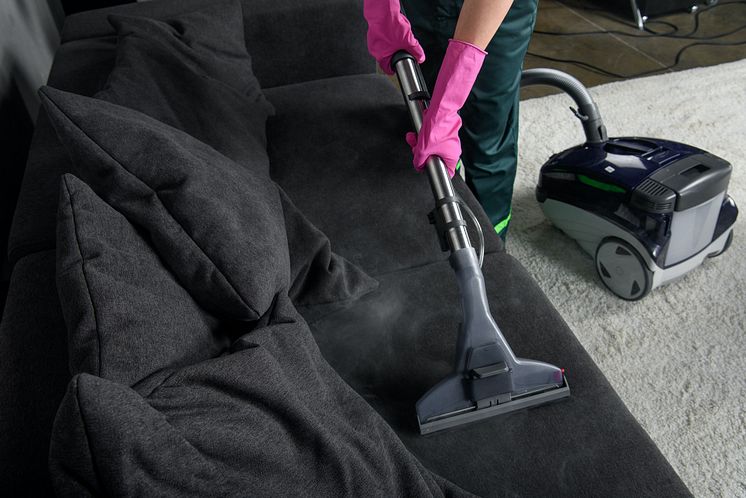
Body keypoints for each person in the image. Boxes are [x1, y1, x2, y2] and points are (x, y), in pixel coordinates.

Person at [363, 0, 539, 240]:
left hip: (493, 13)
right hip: (425, 7)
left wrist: (448, 103)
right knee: (429, 126)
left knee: (487, 140)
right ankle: (447, 223)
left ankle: (490, 247)